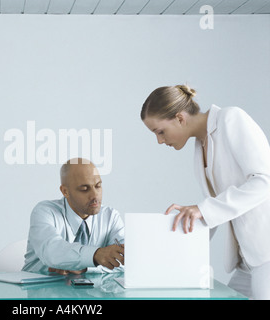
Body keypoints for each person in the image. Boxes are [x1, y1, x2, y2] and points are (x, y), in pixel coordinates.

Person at [140, 84, 270, 299]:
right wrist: (172, 240)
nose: (160, 141)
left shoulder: (231, 119)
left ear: (180, 118)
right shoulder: (200, 145)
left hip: (266, 255)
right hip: (247, 261)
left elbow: (264, 180)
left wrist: (202, 209)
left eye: (160, 131)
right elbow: (215, 209)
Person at [22, 158, 124, 275]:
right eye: (84, 189)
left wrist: (86, 267)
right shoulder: (45, 212)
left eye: (98, 186)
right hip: (38, 289)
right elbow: (51, 252)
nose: (95, 195)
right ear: (65, 191)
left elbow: (127, 261)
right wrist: (95, 255)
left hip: (91, 292)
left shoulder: (111, 217)